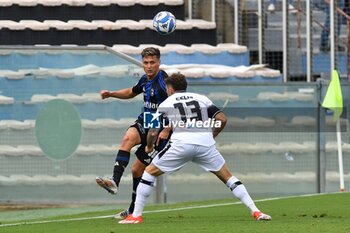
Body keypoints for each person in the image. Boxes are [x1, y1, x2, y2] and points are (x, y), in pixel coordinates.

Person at [119, 73, 272, 224]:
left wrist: (149, 146)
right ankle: (256, 211)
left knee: (148, 172)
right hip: (205, 145)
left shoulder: (166, 103)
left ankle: (136, 215)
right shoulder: (201, 98)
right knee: (229, 178)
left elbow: (152, 131)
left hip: (181, 145)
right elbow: (222, 119)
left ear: (170, 89)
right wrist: (212, 135)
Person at [96, 47, 170, 219]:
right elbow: (131, 91)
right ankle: (114, 181)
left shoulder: (164, 82)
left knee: (137, 171)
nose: (149, 66)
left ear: (159, 62)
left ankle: (132, 209)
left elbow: (176, 105)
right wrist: (111, 94)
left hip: (159, 130)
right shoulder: (145, 79)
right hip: (147, 120)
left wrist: (167, 129)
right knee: (127, 139)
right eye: (146, 63)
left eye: (153, 62)